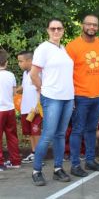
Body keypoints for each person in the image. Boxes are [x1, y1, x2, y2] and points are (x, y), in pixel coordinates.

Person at [30, 19, 74, 186]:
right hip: (52, 98)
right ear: (48, 30)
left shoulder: (63, 49)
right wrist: (43, 90)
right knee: (48, 134)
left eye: (59, 28)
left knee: (60, 135)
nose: (56, 31)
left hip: (68, 97)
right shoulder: (43, 49)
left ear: (63, 30)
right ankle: (36, 171)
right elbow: (34, 74)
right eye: (53, 28)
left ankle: (58, 169)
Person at [66, 14, 99, 177]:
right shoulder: (72, 46)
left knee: (91, 130)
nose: (92, 27)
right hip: (80, 96)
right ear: (82, 25)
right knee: (77, 130)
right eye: (89, 24)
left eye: (95, 25)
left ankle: (90, 161)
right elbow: (66, 74)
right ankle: (75, 164)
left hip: (97, 96)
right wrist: (71, 97)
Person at [17, 51, 42, 164]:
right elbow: (23, 87)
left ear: (30, 61)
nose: (19, 64)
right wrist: (12, 90)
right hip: (26, 108)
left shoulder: (37, 73)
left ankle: (39, 155)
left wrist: (39, 104)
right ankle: (34, 152)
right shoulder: (25, 74)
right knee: (30, 133)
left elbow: (42, 89)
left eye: (21, 61)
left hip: (35, 109)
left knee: (36, 132)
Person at [0, 50, 21, 171]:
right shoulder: (11, 75)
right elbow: (14, 93)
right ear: (6, 62)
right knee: (12, 135)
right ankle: (15, 161)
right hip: (10, 109)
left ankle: (0, 163)